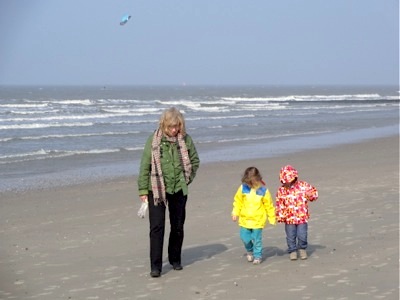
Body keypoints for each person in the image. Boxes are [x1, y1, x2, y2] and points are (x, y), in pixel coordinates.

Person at [138, 107, 200, 278]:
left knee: (177, 225)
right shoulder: (153, 140)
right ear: (164, 125)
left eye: (177, 126)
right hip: (156, 189)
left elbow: (194, 161)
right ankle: (156, 266)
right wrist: (143, 190)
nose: (174, 130)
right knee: (157, 227)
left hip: (179, 188)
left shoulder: (186, 140)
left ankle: (175, 259)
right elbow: (145, 166)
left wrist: (186, 179)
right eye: (171, 127)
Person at [231, 167, 276, 265]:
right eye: (248, 182)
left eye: (252, 182)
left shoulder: (263, 190)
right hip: (245, 219)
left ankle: (258, 256)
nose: (250, 184)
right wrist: (235, 213)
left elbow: (269, 205)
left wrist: (272, 217)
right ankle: (249, 250)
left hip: (258, 220)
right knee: (244, 238)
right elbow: (238, 201)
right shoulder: (243, 188)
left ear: (257, 179)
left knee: (257, 239)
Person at [275, 165, 318, 260]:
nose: (288, 182)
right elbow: (279, 204)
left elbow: (313, 193)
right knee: (290, 236)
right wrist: (280, 215)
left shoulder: (303, 186)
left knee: (302, 234)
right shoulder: (282, 190)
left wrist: (311, 195)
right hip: (289, 218)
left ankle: (302, 248)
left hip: (301, 217)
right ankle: (292, 250)